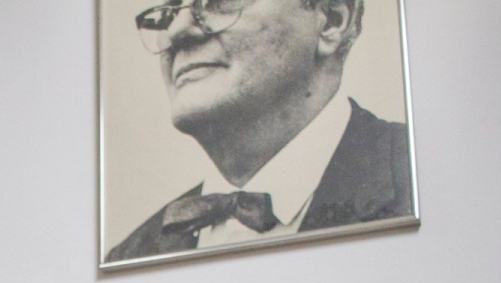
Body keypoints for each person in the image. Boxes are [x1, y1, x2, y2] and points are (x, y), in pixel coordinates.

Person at [106, 0, 412, 263]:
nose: (176, 30)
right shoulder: (129, 256)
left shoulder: (422, 176)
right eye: (169, 13)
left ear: (331, 20)